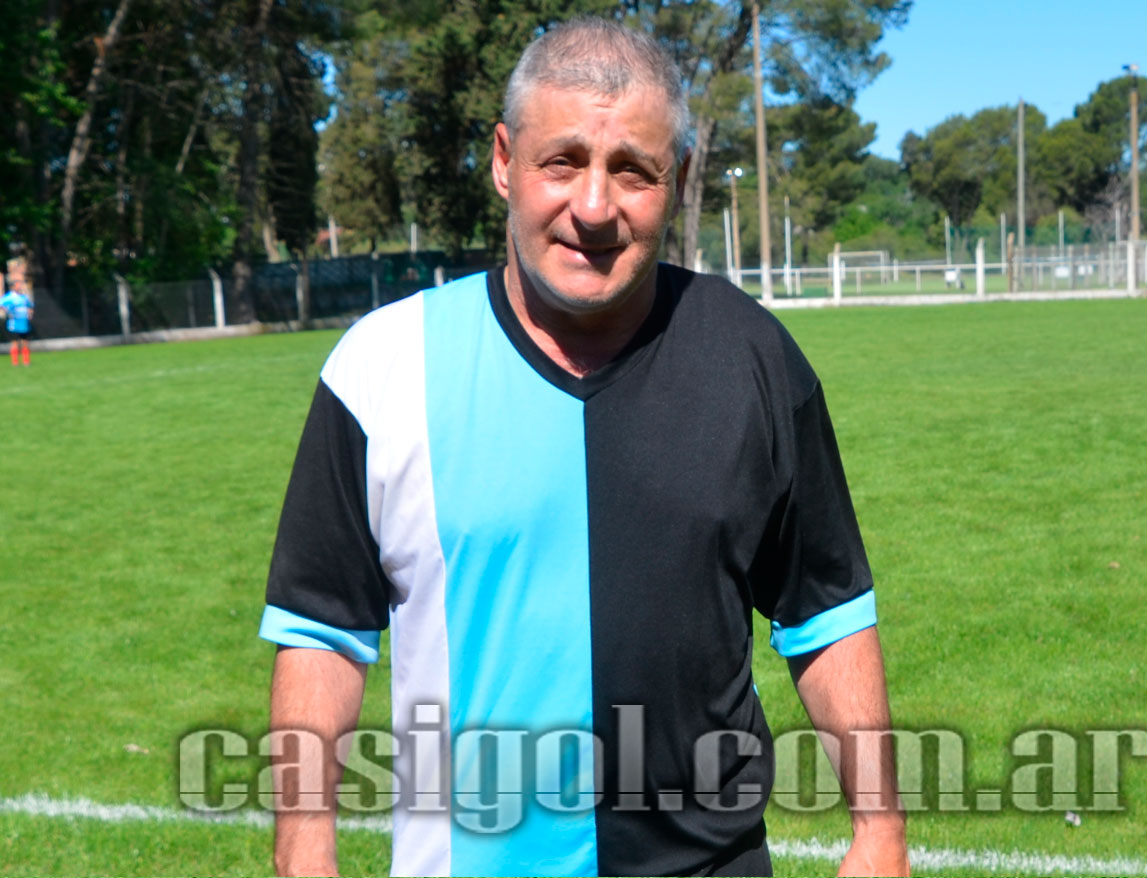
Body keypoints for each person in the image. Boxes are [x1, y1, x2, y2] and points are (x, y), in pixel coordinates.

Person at [260, 19, 908, 878]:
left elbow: (825, 611)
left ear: (678, 179)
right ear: (504, 161)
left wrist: (879, 831)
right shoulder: (381, 367)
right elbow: (323, 634)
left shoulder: (750, 355)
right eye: (561, 162)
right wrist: (303, 854)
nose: (594, 207)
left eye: (631, 170)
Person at [1, 260, 35, 367]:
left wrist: (30, 313)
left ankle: (26, 361)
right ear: (13, 286)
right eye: (17, 284)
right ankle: (15, 362)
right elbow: (2, 305)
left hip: (24, 322)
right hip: (13, 323)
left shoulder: (24, 297)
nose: (19, 286)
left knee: (25, 342)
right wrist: (7, 311)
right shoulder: (9, 297)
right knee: (15, 343)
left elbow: (30, 306)